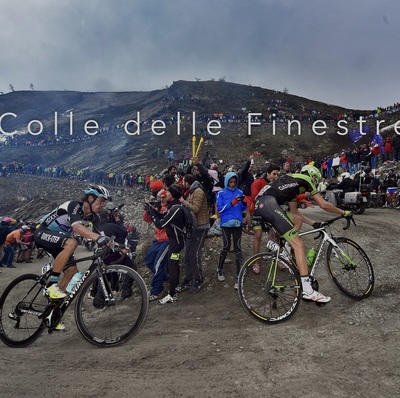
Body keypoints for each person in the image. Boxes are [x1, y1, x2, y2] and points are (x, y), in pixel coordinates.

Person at [254, 165, 353, 303]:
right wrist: (344, 212)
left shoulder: (292, 185)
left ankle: (283, 252)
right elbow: (323, 204)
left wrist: (313, 223)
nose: (313, 186)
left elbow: (295, 213)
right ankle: (307, 290)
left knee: (297, 220)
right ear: (312, 176)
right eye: (315, 181)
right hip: (268, 204)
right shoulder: (305, 178)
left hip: (263, 204)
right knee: (299, 244)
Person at [34, 184, 111, 305]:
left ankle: (52, 314)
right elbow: (77, 227)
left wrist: (117, 246)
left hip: (59, 241)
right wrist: (97, 237)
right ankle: (51, 286)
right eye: (101, 201)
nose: (102, 205)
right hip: (43, 232)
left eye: (104, 203)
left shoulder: (94, 217)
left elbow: (103, 236)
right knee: (72, 243)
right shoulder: (74, 205)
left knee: (72, 271)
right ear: (90, 199)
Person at [145, 184, 186, 304]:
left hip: (175, 242)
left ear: (172, 195)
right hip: (173, 241)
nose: (165, 194)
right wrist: (152, 210)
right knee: (170, 265)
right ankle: (174, 286)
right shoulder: (172, 207)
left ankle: (170, 294)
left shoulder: (176, 208)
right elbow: (162, 216)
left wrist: (152, 213)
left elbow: (160, 224)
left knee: (172, 265)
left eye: (167, 193)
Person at [179, 174, 210, 293]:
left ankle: (199, 279)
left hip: (201, 227)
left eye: (184, 181)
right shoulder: (191, 192)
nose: (183, 183)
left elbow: (195, 208)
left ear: (188, 182)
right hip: (193, 227)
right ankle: (188, 278)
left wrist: (183, 202)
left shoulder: (198, 192)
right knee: (187, 253)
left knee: (194, 253)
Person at [216, 171, 247, 289]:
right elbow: (220, 209)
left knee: (238, 247)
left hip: (238, 223)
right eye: (231, 182)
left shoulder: (240, 192)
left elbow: (243, 208)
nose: (233, 184)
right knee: (226, 246)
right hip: (226, 223)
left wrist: (244, 203)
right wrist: (231, 203)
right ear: (227, 181)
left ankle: (238, 276)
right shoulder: (221, 193)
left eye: (235, 182)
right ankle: (219, 268)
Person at [250, 164, 280, 274]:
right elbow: (254, 198)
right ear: (268, 173)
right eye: (274, 174)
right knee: (258, 236)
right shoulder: (258, 182)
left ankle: (273, 256)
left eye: (277, 174)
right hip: (257, 212)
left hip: (270, 212)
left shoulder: (277, 184)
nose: (276, 176)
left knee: (274, 235)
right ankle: (256, 262)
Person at [143, 191, 169, 301]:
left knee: (158, 264)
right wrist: (148, 210)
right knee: (149, 261)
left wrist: (154, 211)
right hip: (158, 239)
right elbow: (147, 220)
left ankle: (157, 290)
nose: (162, 199)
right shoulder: (157, 208)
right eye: (160, 197)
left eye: (164, 197)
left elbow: (161, 221)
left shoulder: (169, 209)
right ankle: (166, 278)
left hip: (167, 240)